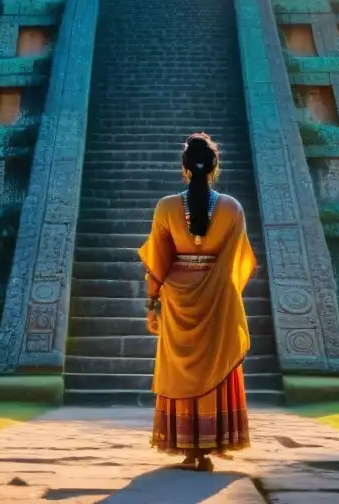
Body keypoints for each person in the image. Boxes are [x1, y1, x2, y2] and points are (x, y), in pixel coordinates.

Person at [138, 132, 257, 472]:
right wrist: (219, 289)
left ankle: (187, 444)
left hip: (176, 301)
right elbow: (237, 261)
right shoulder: (232, 208)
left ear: (185, 168)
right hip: (218, 299)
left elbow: (158, 261)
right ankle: (214, 439)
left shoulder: (166, 207)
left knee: (180, 370)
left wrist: (151, 304)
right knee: (217, 365)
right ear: (214, 166)